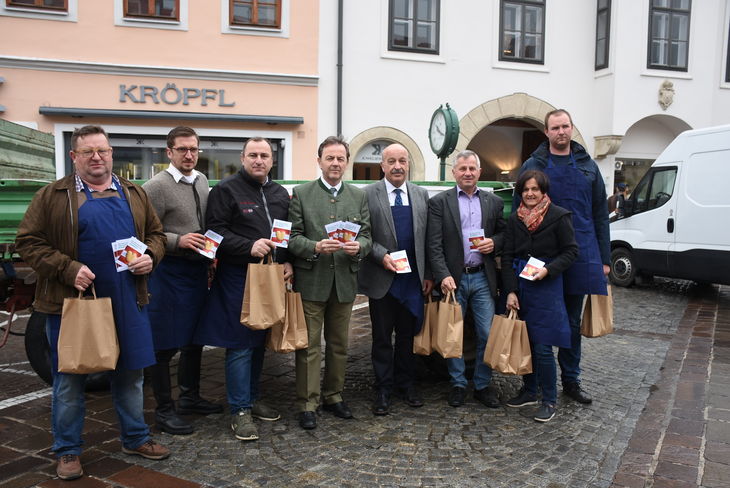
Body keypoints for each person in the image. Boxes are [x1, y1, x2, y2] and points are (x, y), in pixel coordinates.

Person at [15, 125, 169, 481]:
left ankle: (135, 438)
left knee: (131, 376)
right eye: (88, 152)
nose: (97, 158)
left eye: (102, 150)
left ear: (112, 153)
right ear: (74, 157)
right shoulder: (52, 196)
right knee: (69, 379)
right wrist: (67, 268)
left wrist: (151, 256)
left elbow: (157, 236)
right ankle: (68, 451)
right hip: (73, 303)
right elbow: (29, 242)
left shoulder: (133, 192)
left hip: (128, 299)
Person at [193, 137, 291, 441]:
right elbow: (214, 233)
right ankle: (238, 410)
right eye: (253, 155)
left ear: (272, 160)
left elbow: (285, 233)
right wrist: (249, 246)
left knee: (260, 337)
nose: (259, 160)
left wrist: (286, 261)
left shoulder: (279, 194)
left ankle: (251, 398)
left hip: (270, 275)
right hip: (238, 275)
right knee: (239, 342)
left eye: (264, 155)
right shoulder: (226, 190)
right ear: (243, 158)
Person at [512, 109, 610, 406]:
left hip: (578, 255)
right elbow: (518, 211)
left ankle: (571, 380)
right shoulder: (533, 164)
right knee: (533, 323)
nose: (561, 132)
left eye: (565, 126)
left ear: (571, 128)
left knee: (570, 322)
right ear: (547, 132)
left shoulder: (588, 167)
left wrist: (604, 258)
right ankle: (532, 384)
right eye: (555, 127)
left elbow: (599, 215)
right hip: (538, 258)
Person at [142, 126, 223, 436]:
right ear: (169, 152)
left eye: (194, 149)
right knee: (164, 344)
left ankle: (189, 398)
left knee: (193, 340)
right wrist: (177, 240)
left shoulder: (201, 180)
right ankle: (164, 411)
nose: (189, 155)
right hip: (168, 272)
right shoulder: (155, 187)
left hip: (197, 271)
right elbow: (144, 232)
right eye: (182, 150)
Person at [288, 136, 372, 430]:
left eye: (340, 159)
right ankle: (307, 403)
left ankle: (333, 396)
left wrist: (359, 246)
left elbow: (368, 236)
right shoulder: (301, 193)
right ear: (319, 160)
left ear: (347, 162)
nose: (335, 163)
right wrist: (314, 246)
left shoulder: (358, 196)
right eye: (330, 158)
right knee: (309, 346)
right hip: (312, 280)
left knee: (339, 345)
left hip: (344, 283)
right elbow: (292, 237)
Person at [357, 143, 433, 416]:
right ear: (383, 165)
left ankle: (406, 384)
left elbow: (429, 238)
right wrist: (382, 256)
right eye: (392, 161)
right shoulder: (367, 195)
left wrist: (429, 275)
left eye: (402, 160)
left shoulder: (421, 195)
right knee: (381, 338)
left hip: (412, 279)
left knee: (407, 336)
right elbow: (363, 234)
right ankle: (383, 388)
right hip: (383, 277)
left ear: (408, 164)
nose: (397, 166)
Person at [427, 150, 506, 408]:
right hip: (454, 280)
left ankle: (482, 384)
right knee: (454, 334)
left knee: (486, 332)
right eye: (462, 169)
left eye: (472, 168)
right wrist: (442, 276)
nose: (468, 173)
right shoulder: (440, 202)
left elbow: (505, 236)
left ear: (479, 172)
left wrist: (493, 242)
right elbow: (434, 245)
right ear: (454, 172)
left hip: (482, 277)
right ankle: (458, 383)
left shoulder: (493, 203)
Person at [502, 170, 578, 422]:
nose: (530, 194)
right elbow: (508, 256)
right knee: (526, 341)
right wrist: (511, 290)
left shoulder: (559, 216)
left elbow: (570, 252)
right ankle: (529, 390)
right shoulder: (515, 219)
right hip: (522, 286)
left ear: (543, 191)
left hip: (546, 286)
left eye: (535, 189)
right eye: (525, 190)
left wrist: (548, 269)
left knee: (543, 346)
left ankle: (549, 399)